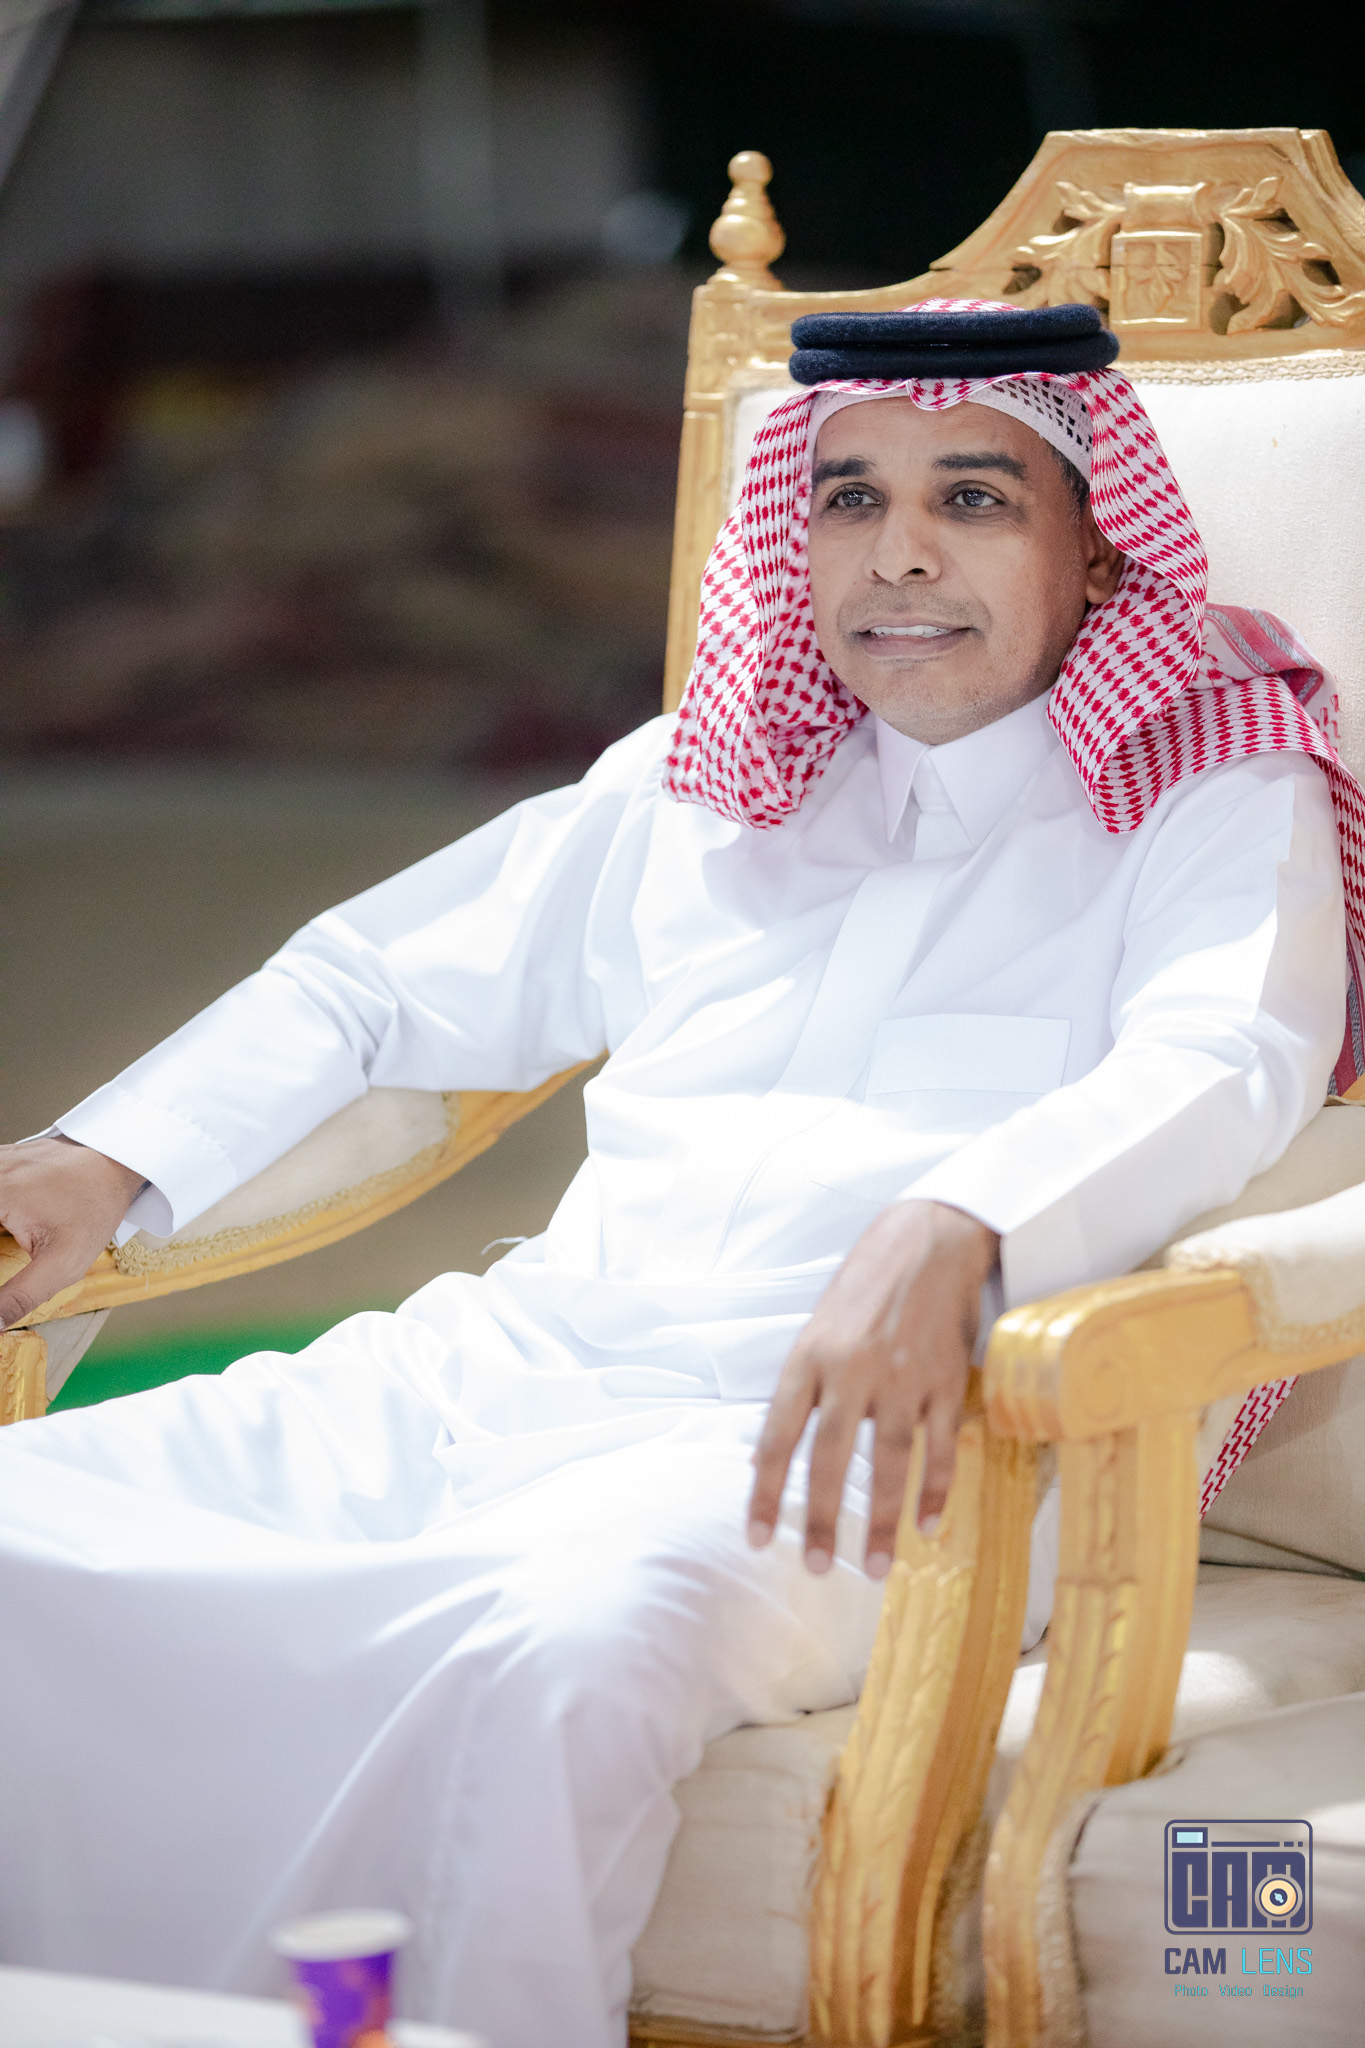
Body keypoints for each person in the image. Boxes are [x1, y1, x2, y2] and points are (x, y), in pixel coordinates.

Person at [0, 302, 1358, 2048]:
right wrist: (103, 1156)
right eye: (850, 499)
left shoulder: (1208, 783)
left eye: (972, 497)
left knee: (561, 1648)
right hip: (509, 1372)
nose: (899, 554)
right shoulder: (699, 778)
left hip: (872, 1443)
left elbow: (1222, 1055)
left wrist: (963, 1224)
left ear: (1096, 550)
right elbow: (375, 986)